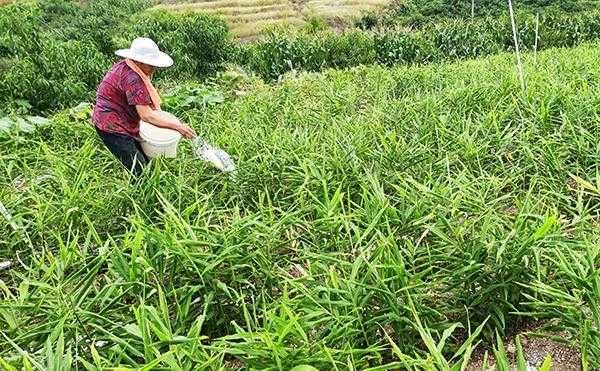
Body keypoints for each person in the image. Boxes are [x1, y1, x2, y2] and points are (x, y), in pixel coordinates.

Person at [92, 37, 196, 176]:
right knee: (140, 171)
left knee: (142, 160)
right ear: (139, 61)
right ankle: (142, 195)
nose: (154, 68)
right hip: (112, 127)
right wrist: (179, 127)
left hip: (117, 118)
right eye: (150, 64)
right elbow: (147, 115)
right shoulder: (132, 79)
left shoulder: (126, 65)